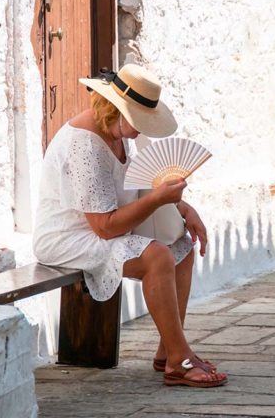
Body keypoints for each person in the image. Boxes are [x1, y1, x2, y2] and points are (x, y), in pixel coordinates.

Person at [33, 64, 228, 388]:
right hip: (67, 236)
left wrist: (182, 207)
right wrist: (158, 200)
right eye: (137, 121)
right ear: (113, 108)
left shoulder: (117, 132)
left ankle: (169, 351)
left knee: (181, 245)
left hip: (104, 224)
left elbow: (140, 185)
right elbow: (104, 228)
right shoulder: (85, 145)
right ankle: (181, 360)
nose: (140, 130)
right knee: (157, 256)